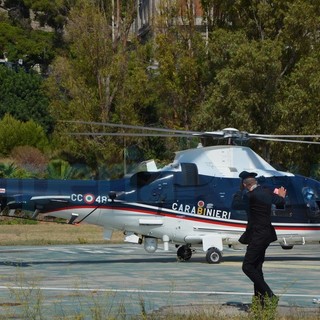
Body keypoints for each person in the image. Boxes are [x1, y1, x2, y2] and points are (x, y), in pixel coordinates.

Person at [232, 171, 287, 308]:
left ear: (245, 185)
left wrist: (240, 191)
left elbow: (235, 205)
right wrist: (281, 196)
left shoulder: (249, 196)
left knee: (247, 266)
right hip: (267, 235)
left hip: (257, 235)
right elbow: (280, 202)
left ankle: (270, 296)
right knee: (257, 267)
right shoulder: (266, 192)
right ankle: (260, 302)